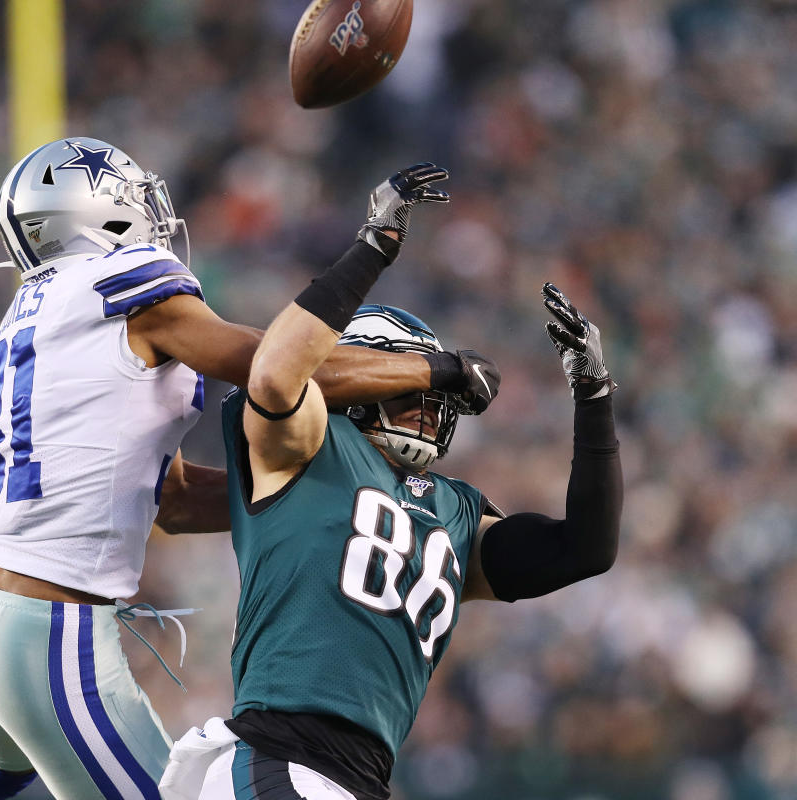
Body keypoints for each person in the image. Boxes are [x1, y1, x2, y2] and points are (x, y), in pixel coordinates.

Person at [0, 139, 500, 800]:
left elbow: (169, 500)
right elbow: (275, 372)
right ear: (98, 214)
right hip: (47, 628)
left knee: (4, 769)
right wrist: (440, 369)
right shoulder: (126, 280)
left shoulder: (44, 302)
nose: (154, 214)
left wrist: (319, 501)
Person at [160, 164, 622, 799]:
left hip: (357, 778)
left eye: (435, 400)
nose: (430, 410)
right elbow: (274, 375)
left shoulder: (455, 509)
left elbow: (585, 550)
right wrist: (374, 248)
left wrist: (593, 397)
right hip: (280, 753)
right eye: (410, 393)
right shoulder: (314, 444)